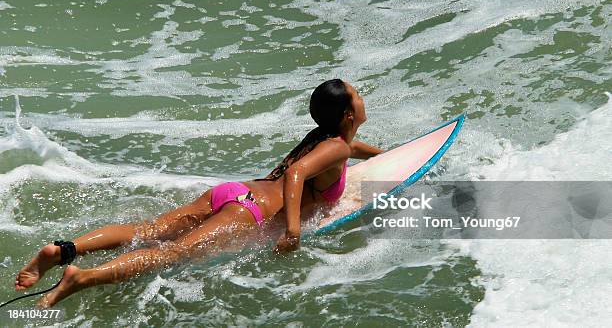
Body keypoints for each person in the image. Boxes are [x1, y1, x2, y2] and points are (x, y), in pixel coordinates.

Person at [14, 79, 383, 307]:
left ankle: (63, 250)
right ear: (348, 115)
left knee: (150, 229)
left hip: (232, 192)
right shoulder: (336, 148)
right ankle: (81, 278)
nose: (362, 99)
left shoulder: (324, 140)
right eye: (358, 96)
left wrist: (387, 154)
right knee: (171, 254)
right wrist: (292, 231)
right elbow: (299, 174)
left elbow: (345, 152)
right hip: (249, 212)